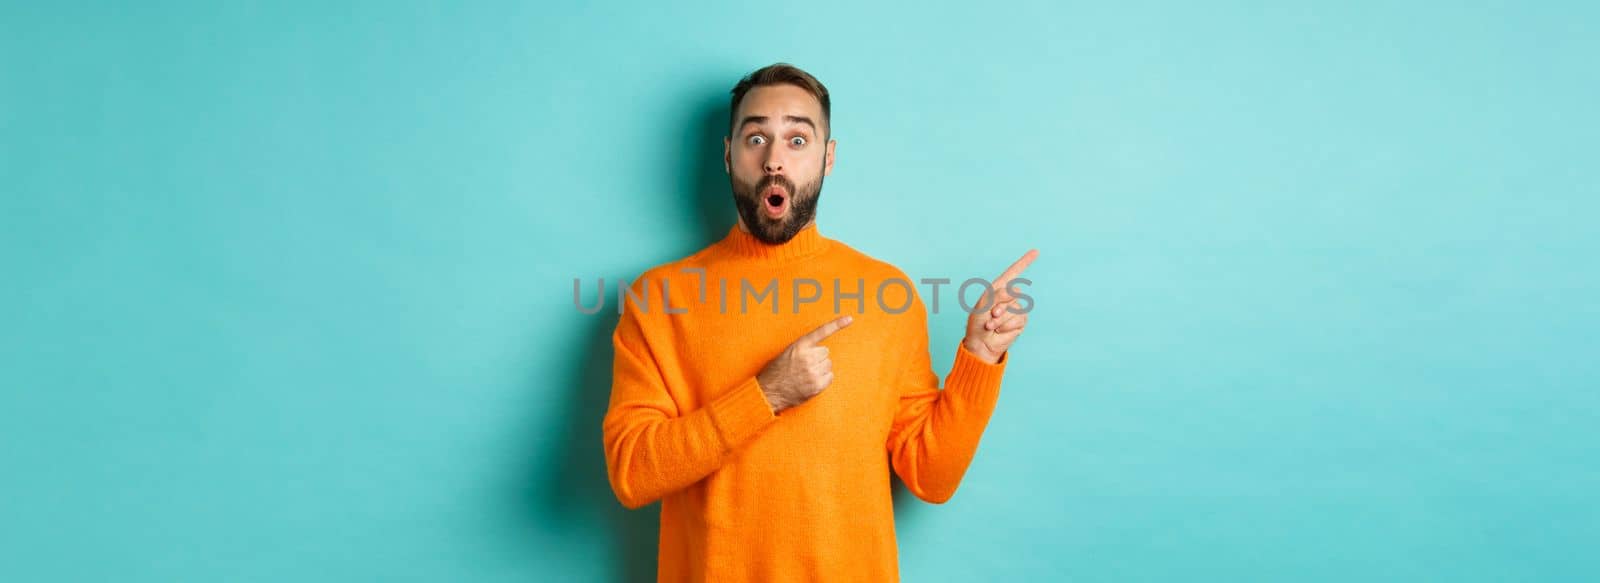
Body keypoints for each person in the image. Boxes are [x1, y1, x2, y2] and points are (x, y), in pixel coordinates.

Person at [601, 62, 1036, 582]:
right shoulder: (659, 299)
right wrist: (766, 395)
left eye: (798, 140)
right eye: (756, 136)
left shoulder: (887, 294)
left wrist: (980, 359)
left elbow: (930, 475)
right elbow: (632, 472)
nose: (774, 160)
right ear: (728, 154)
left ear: (828, 158)